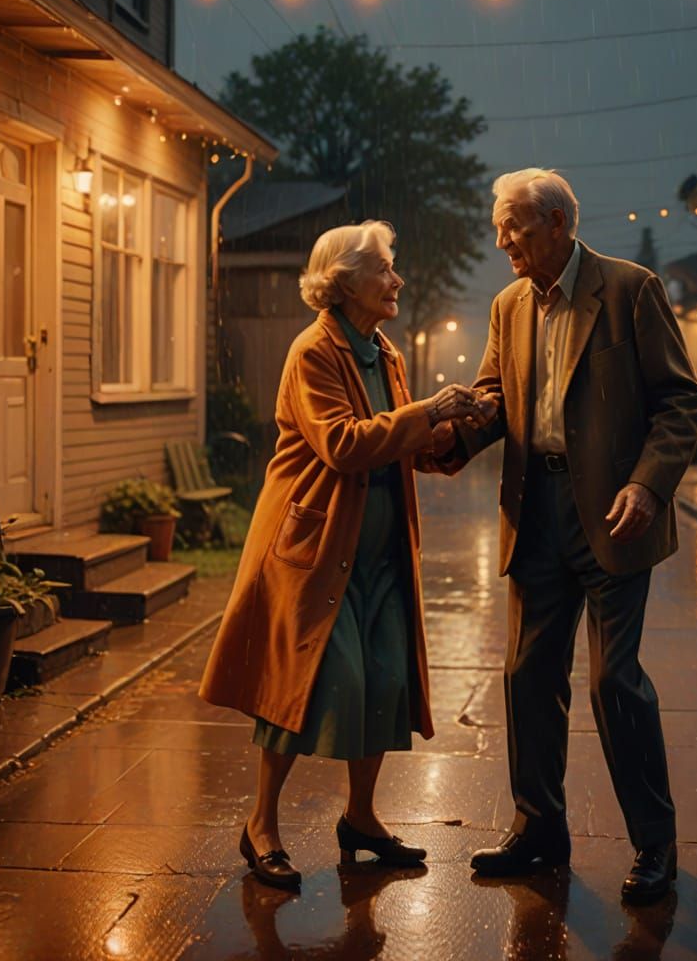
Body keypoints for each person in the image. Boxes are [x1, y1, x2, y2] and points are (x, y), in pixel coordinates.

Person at [436, 169, 697, 903]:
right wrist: (455, 437)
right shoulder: (508, 306)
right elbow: (495, 398)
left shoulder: (630, 290)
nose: (502, 242)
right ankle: (539, 831)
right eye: (499, 229)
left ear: (556, 222)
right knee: (528, 673)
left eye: (513, 227)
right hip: (536, 509)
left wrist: (648, 484)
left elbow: (681, 401)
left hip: (617, 509)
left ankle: (655, 844)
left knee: (615, 679)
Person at [199, 220, 489, 891]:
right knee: (302, 687)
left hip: (381, 554)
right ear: (345, 281)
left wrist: (456, 426)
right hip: (316, 549)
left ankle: (360, 818)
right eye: (384, 269)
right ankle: (260, 824)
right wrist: (426, 412)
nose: (397, 280)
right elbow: (344, 445)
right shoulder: (313, 352)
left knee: (385, 683)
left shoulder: (384, 352)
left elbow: (401, 441)